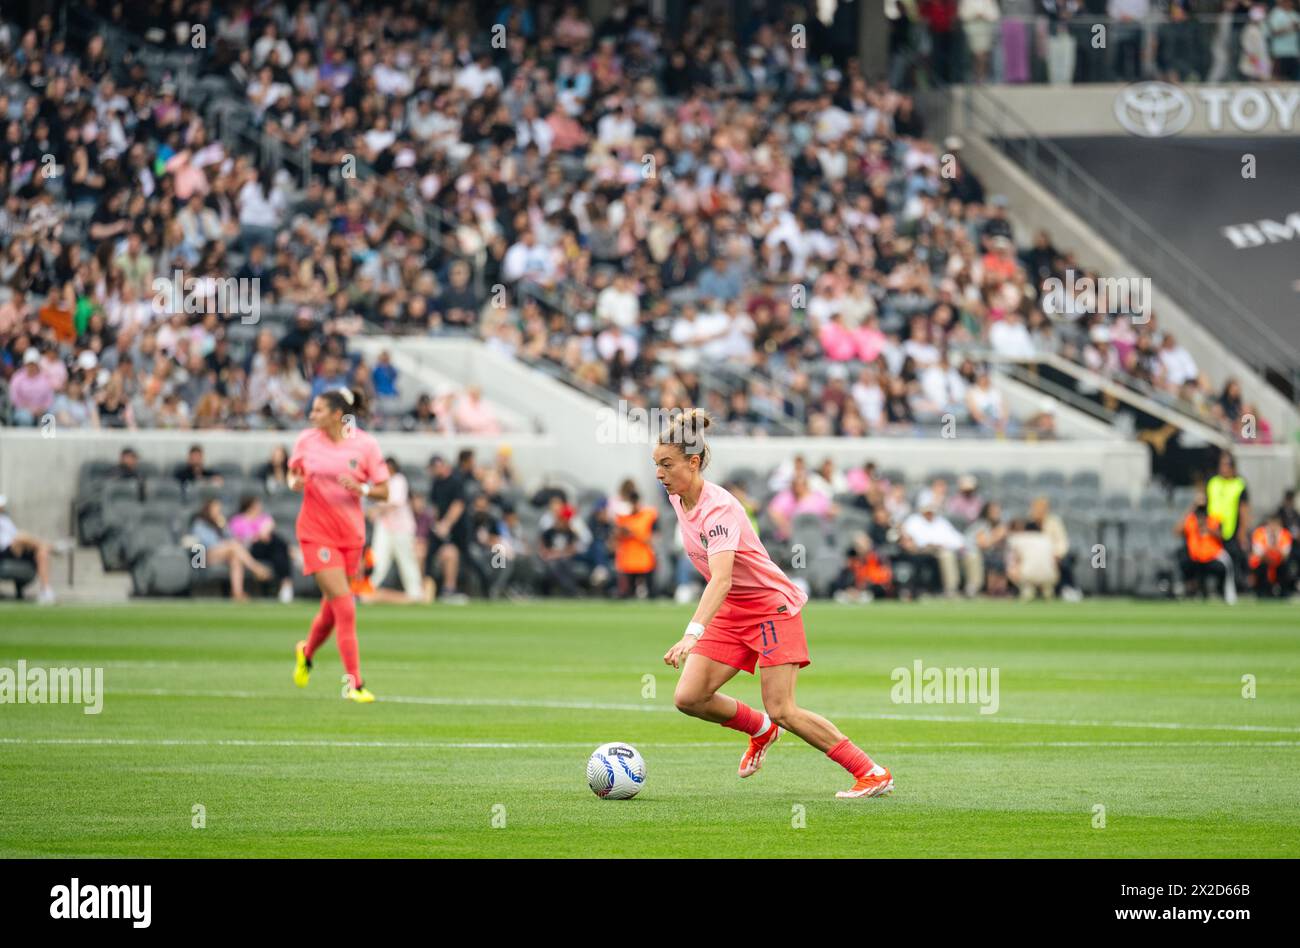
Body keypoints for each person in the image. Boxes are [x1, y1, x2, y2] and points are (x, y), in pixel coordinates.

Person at [656, 409, 892, 799]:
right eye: (656, 465)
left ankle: (871, 771)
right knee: (689, 697)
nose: (660, 473)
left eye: (667, 464)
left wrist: (690, 634)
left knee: (783, 707)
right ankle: (760, 729)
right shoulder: (679, 499)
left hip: (769, 608)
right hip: (733, 610)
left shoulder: (720, 509)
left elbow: (722, 578)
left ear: (693, 462)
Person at [288, 386, 391, 703]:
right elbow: (292, 476)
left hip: (350, 535)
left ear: (336, 415)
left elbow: (384, 491)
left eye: (318, 410)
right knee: (346, 606)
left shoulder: (365, 444)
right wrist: (296, 483)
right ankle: (354, 683)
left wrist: (361, 487)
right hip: (315, 531)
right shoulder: (306, 441)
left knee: (333, 607)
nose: (311, 415)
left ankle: (306, 651)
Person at [368, 457, 432, 603]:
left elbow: (395, 503)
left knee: (407, 560)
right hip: (384, 527)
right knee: (377, 559)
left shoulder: (399, 480)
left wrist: (376, 510)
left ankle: (416, 593)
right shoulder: (380, 482)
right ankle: (368, 589)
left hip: (401, 528)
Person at [188, 498, 274, 601]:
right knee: (233, 546)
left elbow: (230, 538)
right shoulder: (200, 523)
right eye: (216, 510)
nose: (218, 512)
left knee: (235, 558)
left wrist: (224, 527)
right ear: (208, 510)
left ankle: (237, 593)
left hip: (223, 553)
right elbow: (206, 543)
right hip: (203, 556)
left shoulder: (219, 524)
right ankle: (256, 569)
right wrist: (225, 543)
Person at [229, 495, 294, 603]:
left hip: (267, 548)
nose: (259, 506)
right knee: (278, 544)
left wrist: (263, 535)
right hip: (250, 549)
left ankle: (286, 585)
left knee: (277, 546)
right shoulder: (238, 520)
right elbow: (237, 539)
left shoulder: (264, 517)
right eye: (257, 504)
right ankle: (286, 582)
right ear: (250, 506)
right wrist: (257, 536)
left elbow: (269, 527)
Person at [0, 494, 57, 604]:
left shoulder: (6, 520)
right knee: (21, 536)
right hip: (4, 552)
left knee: (42, 552)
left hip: (17, 549)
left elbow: (16, 537)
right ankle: (50, 546)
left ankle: (46, 591)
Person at [1176, 503, 1237, 604]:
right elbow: (1177, 531)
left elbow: (1222, 536)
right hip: (1195, 557)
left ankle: (1229, 595)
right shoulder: (1191, 521)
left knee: (1227, 565)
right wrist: (1190, 509)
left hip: (1212, 556)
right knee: (1183, 561)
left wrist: (1209, 530)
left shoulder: (1213, 521)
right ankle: (1190, 592)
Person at [613, 481, 657, 599]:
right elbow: (615, 537)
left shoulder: (649, 515)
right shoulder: (622, 517)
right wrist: (621, 531)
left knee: (651, 594)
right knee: (627, 595)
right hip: (627, 560)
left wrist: (634, 533)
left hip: (644, 559)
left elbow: (654, 538)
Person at [1248, 511, 1294, 598]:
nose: (1273, 527)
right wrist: (1273, 551)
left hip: (1279, 563)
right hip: (1263, 563)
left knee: (1286, 566)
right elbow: (1258, 554)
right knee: (1260, 566)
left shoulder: (1285, 534)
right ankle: (1262, 591)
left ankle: (1284, 591)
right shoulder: (1259, 533)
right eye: (1271, 524)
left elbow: (1285, 555)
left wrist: (1274, 545)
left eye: (1275, 524)